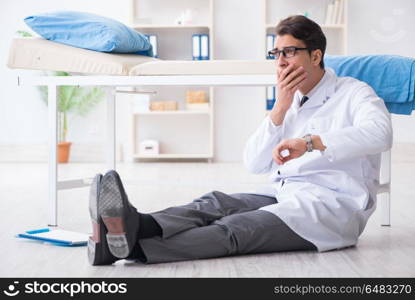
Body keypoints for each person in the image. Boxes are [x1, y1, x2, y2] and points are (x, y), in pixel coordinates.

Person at [87, 15, 392, 265]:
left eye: (289, 52)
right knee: (214, 203)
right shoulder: (289, 101)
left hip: (329, 209)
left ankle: (129, 249)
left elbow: (381, 133)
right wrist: (279, 108)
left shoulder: (354, 92)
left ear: (316, 55)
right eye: (276, 54)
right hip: (284, 193)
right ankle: (132, 225)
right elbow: (254, 162)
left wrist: (310, 142)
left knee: (236, 229)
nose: (280, 61)